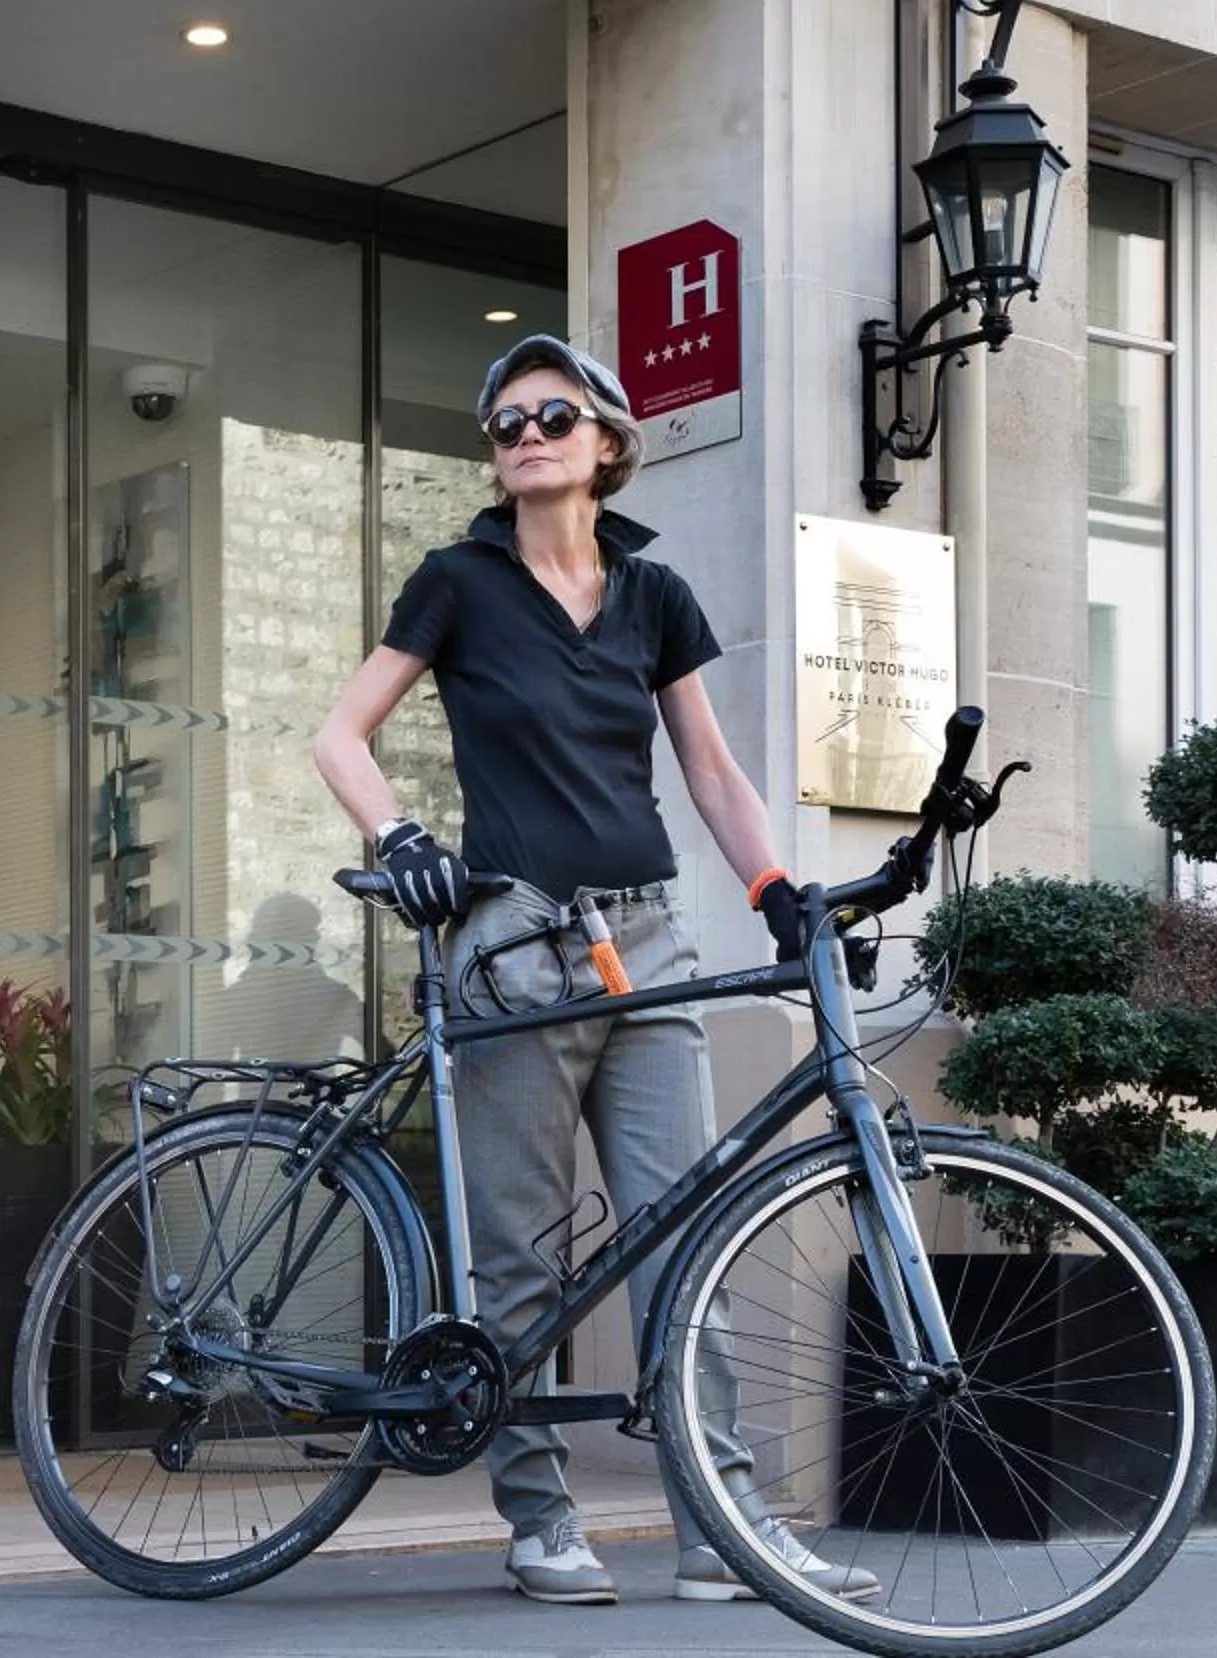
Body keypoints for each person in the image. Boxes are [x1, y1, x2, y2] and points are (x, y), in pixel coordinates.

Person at [313, 334, 878, 1609]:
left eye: (552, 414)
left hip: (650, 947)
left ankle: (717, 1529)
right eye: (505, 420)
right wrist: (398, 836)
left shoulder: (654, 596)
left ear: (607, 444)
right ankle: (536, 1517)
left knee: (689, 1243)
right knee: (515, 1262)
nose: (525, 433)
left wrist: (775, 888)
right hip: (512, 947)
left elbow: (711, 771)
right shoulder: (458, 582)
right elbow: (340, 734)